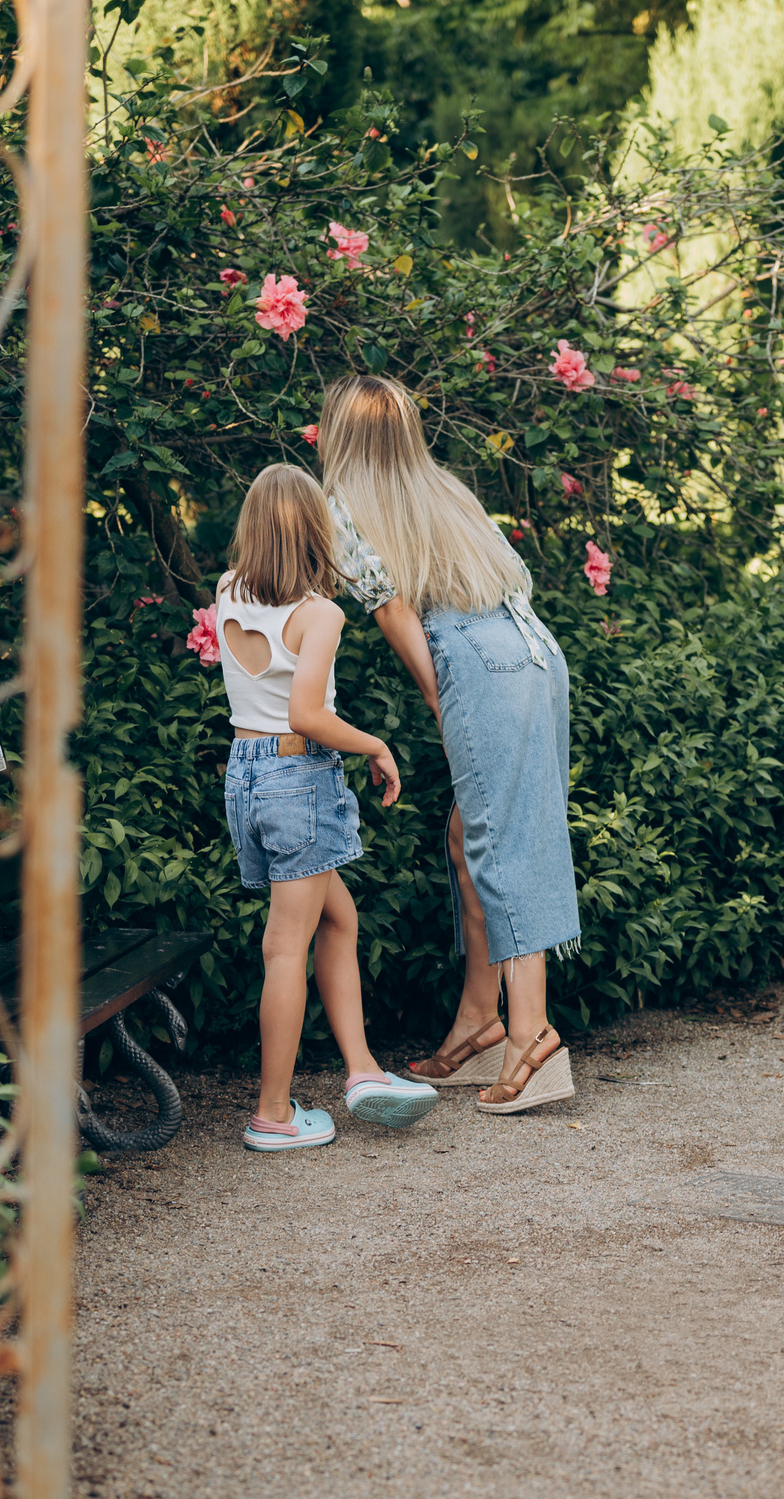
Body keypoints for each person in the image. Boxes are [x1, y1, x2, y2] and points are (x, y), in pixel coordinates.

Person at [316, 374, 579, 1114]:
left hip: (475, 661)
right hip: (533, 652)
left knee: (500, 838)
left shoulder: (344, 507)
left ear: (343, 434)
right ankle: (480, 1021)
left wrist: (444, 701)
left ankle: (531, 1034)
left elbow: (394, 612)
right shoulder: (444, 490)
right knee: (473, 835)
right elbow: (511, 581)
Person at [216, 464, 441, 1151]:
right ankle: (273, 1114)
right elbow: (308, 714)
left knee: (336, 918)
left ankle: (363, 1071)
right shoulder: (319, 614)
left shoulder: (227, 591)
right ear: (318, 530)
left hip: (246, 778)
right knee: (286, 947)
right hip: (296, 779)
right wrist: (376, 744)